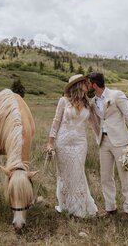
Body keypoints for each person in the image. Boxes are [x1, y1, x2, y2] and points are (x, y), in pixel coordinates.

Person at [87, 71, 128, 220]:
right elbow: (95, 121)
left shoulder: (116, 95)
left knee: (124, 176)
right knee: (105, 176)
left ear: (94, 84)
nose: (87, 86)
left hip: (120, 142)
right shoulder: (92, 102)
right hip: (103, 142)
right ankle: (110, 208)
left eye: (88, 84)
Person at [46, 74, 99, 218]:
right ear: (77, 85)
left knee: (78, 172)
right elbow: (56, 122)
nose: (87, 84)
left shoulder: (89, 104)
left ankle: (79, 207)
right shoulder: (63, 101)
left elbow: (95, 125)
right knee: (64, 175)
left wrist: (102, 139)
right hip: (63, 142)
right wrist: (50, 142)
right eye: (84, 82)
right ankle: (66, 205)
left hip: (80, 143)